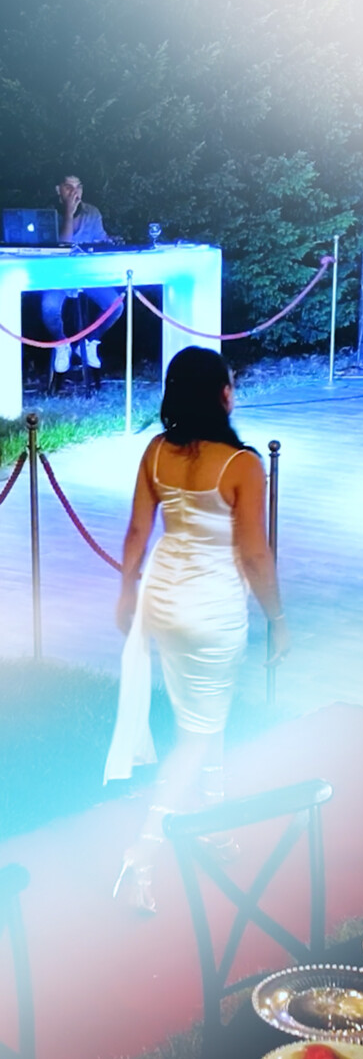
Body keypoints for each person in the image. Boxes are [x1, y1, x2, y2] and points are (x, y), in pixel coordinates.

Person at [106, 346, 289, 913]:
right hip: (211, 608)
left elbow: (137, 532)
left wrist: (127, 591)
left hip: (164, 599)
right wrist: (278, 618)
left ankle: (214, 823)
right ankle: (141, 855)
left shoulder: (155, 452)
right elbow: (254, 555)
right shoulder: (242, 465)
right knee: (199, 731)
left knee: (205, 714)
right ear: (223, 395)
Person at [41, 174, 124, 373]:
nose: (74, 192)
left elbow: (100, 238)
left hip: (87, 274)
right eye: (68, 187)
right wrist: (68, 213)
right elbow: (63, 245)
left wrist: (110, 241)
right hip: (57, 276)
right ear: (58, 190)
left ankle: (89, 342)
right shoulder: (48, 214)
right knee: (49, 307)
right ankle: (62, 343)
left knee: (116, 306)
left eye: (78, 187)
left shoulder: (92, 212)